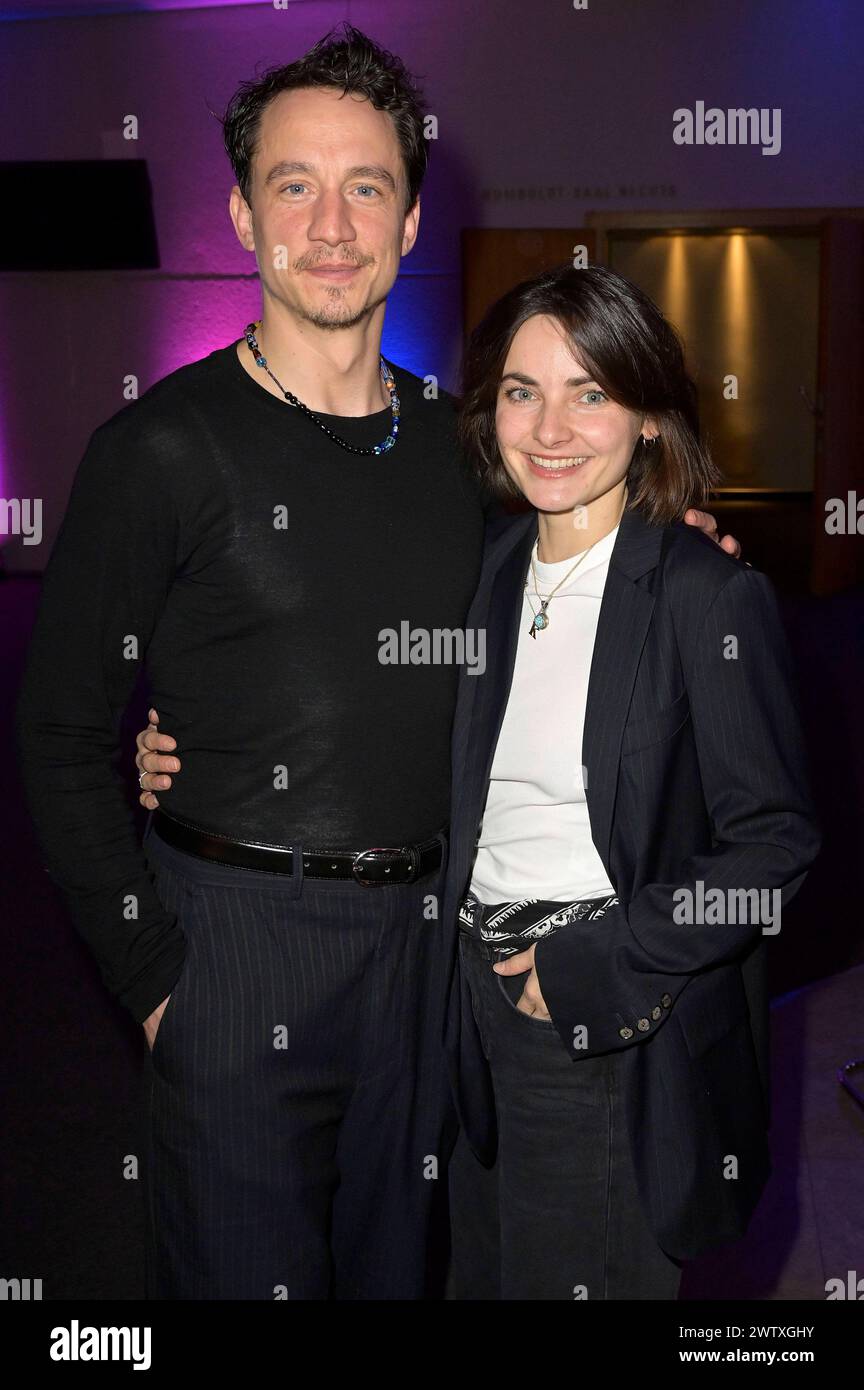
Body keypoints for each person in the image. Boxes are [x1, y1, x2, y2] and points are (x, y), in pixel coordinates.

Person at [18, 24, 740, 1301]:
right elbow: (62, 733)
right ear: (242, 214)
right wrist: (154, 984)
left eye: (369, 187)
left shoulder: (463, 454)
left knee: (400, 1280)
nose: (334, 221)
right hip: (233, 945)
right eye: (296, 184)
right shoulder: (158, 450)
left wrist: (670, 534)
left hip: (428, 951)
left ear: (410, 221)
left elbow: (568, 563)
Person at [437, 263, 821, 1299]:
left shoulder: (708, 591)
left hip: (603, 1014)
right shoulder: (482, 569)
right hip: (462, 1002)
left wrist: (597, 961)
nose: (550, 427)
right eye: (523, 391)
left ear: (649, 414)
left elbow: (775, 846)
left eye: (590, 391)